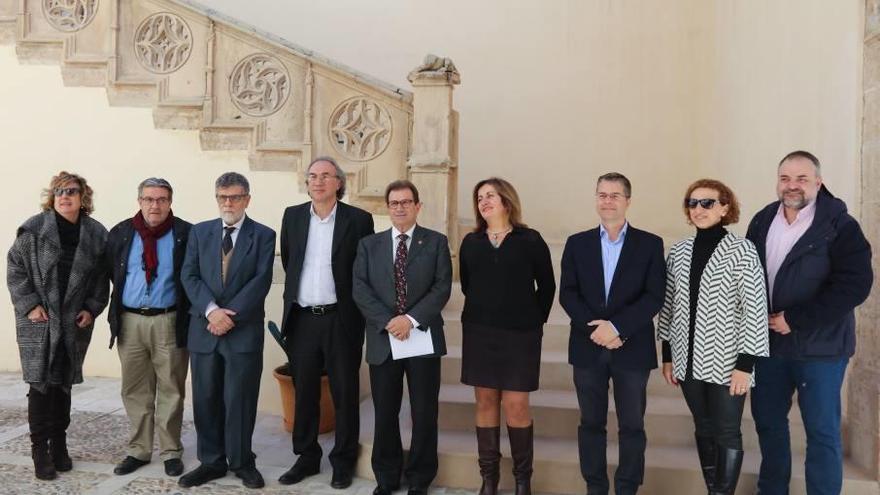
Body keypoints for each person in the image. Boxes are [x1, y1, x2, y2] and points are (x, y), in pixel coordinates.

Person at [746, 151, 873, 495]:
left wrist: (796, 320)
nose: (792, 186)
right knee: (769, 425)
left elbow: (855, 286)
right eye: (785, 178)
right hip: (768, 346)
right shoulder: (761, 220)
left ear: (818, 182)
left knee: (821, 431)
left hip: (820, 349)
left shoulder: (840, 226)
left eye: (802, 179)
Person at [657, 178, 769, 495]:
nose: (699, 209)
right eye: (693, 203)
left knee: (727, 430)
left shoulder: (742, 251)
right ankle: (712, 488)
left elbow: (755, 309)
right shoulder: (679, 251)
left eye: (707, 203)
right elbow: (669, 305)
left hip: (728, 360)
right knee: (703, 426)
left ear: (724, 208)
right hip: (686, 357)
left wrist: (745, 366)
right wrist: (667, 355)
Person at [559, 173, 665, 495]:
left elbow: (654, 295)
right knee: (591, 423)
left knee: (632, 425)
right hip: (588, 346)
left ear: (627, 201)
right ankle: (595, 486)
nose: (607, 201)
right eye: (602, 195)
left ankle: (627, 487)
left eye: (615, 195)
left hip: (631, 347)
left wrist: (617, 328)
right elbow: (568, 293)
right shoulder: (577, 243)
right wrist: (597, 329)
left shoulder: (650, 244)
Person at [278, 156, 374, 489]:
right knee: (304, 391)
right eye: (312, 176)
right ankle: (306, 457)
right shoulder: (292, 217)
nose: (317, 182)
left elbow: (363, 270)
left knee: (345, 392)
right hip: (303, 319)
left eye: (325, 176)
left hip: (341, 320)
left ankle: (343, 461)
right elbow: (290, 261)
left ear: (339, 183)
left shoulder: (359, 220)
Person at [6, 171, 109, 480]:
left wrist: (91, 308)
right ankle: (40, 451)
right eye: (59, 191)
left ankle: (60, 445)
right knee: (40, 384)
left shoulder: (95, 234)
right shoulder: (34, 230)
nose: (65, 196)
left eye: (72, 191)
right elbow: (15, 268)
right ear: (52, 197)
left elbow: (101, 279)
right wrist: (30, 305)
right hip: (39, 320)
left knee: (63, 383)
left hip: (73, 321)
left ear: (83, 197)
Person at [353, 180, 452, 495]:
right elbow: (360, 289)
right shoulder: (369, 245)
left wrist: (410, 319)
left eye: (406, 202)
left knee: (424, 412)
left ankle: (421, 478)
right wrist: (389, 322)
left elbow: (442, 287)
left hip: (422, 337)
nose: (400, 207)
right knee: (385, 412)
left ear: (417, 206)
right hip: (385, 339)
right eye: (394, 203)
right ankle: (387, 476)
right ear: (388, 207)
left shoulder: (435, 242)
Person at [178, 172, 275, 489]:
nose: (228, 202)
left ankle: (242, 461)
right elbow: (189, 275)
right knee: (205, 398)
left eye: (234, 196)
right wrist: (212, 311)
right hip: (205, 328)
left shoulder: (263, 235)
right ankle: (211, 461)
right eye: (222, 197)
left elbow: (261, 280)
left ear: (247, 198)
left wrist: (229, 316)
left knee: (240, 399)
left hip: (242, 330)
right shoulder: (200, 232)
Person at [459, 177, 555, 495]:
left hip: (521, 337)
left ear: (507, 201)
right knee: (485, 401)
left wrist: (532, 323)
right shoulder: (471, 242)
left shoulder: (530, 240)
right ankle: (489, 479)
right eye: (480, 197)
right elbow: (470, 285)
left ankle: (522, 480)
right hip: (480, 333)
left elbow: (547, 286)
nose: (484, 201)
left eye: (491, 195)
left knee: (516, 405)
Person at [105, 178, 192, 477]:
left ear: (170, 202)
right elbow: (106, 274)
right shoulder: (120, 233)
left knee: (171, 387)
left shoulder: (185, 233)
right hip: (129, 321)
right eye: (149, 199)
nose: (155, 205)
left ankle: (170, 451)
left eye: (162, 199)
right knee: (135, 389)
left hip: (168, 319)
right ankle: (138, 450)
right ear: (139, 201)